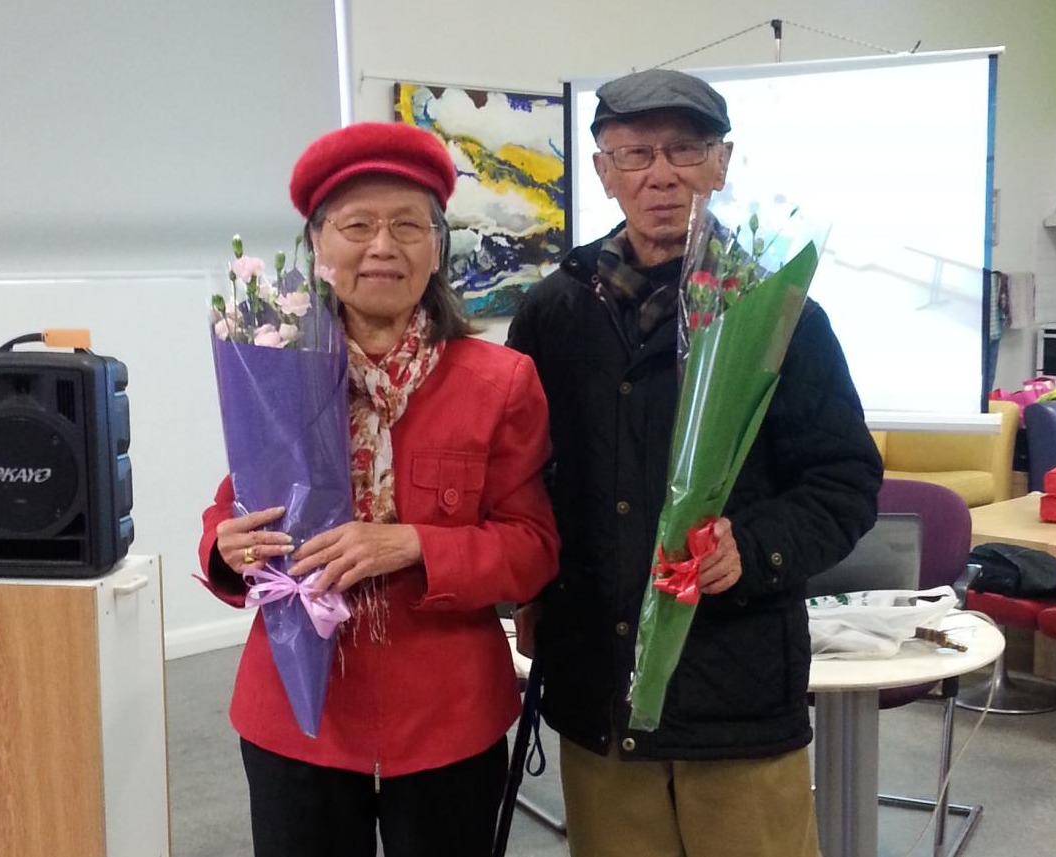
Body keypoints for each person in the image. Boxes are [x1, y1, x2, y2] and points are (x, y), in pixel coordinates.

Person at [507, 68, 883, 857]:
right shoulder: (553, 312)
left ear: (722, 162)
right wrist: (532, 592)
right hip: (600, 694)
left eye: (685, 149)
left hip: (736, 696)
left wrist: (755, 545)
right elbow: (529, 479)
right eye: (635, 153)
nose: (662, 174)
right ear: (604, 171)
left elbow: (845, 482)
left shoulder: (779, 311)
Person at [198, 122, 559, 857]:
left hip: (446, 721)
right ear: (318, 246)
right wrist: (226, 545)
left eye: (408, 226)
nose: (382, 247)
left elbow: (533, 549)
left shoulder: (498, 382)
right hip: (298, 715)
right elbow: (235, 501)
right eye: (357, 226)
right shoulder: (276, 370)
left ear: (438, 247)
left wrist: (413, 544)